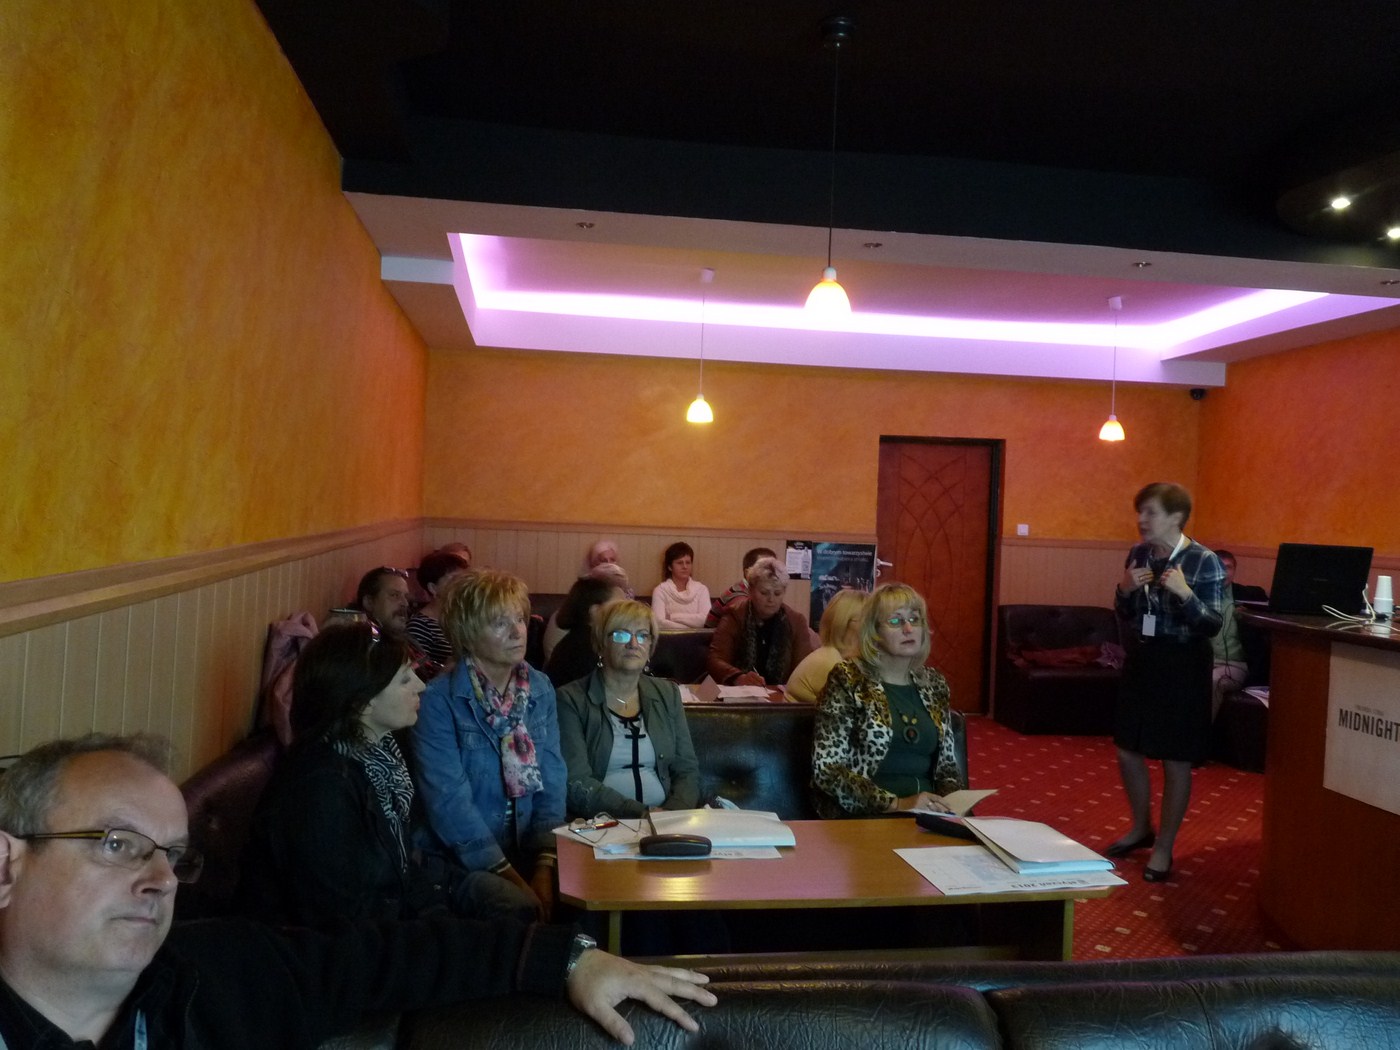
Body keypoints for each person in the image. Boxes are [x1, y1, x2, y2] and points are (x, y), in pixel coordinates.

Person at [0, 734, 714, 1048]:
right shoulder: (322, 783)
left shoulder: (225, 981)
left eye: (174, 857)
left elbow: (389, 956)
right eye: (117, 844)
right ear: (8, 866)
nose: (160, 880)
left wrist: (569, 958)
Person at [240, 622, 451, 925]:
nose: (421, 686)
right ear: (361, 704)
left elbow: (400, 872)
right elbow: (337, 920)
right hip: (323, 946)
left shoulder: (380, 753)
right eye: (405, 680)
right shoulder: (320, 788)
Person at [414, 569, 567, 923]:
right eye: (500, 623)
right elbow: (448, 804)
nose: (517, 632)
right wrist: (514, 878)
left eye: (520, 619)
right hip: (457, 857)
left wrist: (544, 866)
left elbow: (553, 780)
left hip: (526, 846)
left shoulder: (540, 687)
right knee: (520, 907)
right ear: (466, 634)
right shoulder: (438, 700)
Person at [1106, 482, 1225, 883]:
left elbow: (1212, 624)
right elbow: (1126, 611)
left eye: (1150, 512)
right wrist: (1124, 589)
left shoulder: (1204, 560)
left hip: (1184, 664)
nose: (1141, 520)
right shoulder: (1139, 554)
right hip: (1144, 659)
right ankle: (1141, 827)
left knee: (1175, 759)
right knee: (1127, 750)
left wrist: (1185, 594)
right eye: (1139, 512)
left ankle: (1164, 847)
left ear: (1176, 517)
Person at [810, 582, 962, 818]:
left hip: (928, 815)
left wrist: (953, 806)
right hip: (866, 816)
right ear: (874, 632)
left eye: (915, 619)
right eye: (895, 621)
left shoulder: (934, 683)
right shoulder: (848, 679)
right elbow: (827, 769)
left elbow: (948, 769)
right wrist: (898, 804)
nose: (908, 628)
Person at [556, 600, 700, 818]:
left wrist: (672, 815)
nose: (633, 644)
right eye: (621, 635)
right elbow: (576, 781)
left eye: (642, 636)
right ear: (601, 644)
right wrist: (642, 814)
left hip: (667, 821)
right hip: (604, 824)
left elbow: (687, 769)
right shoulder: (570, 700)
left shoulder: (668, 693)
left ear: (650, 647)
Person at [706, 556, 813, 686]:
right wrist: (738, 677)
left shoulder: (796, 621)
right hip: (740, 692)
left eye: (777, 593)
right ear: (750, 590)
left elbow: (805, 667)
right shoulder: (734, 615)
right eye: (764, 593)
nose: (771, 599)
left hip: (781, 694)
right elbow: (715, 660)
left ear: (784, 592)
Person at [1209, 549, 1269, 717]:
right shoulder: (1200, 596)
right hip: (1204, 662)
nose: (1223, 573)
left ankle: (1199, 731)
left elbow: (1271, 610)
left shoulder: (1249, 596)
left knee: (1214, 680)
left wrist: (1249, 616)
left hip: (1235, 665)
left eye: (1228, 567)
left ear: (1234, 570)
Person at [544, 574, 627, 688]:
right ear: (595, 611)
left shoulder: (582, 639)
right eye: (619, 607)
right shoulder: (584, 648)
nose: (626, 613)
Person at [786, 588, 866, 703]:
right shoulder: (832, 663)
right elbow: (866, 708)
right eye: (871, 621)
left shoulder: (831, 654)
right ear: (845, 623)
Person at [406, 549, 472, 680]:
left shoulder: (464, 616)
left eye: (464, 579)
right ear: (433, 588)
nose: (463, 585)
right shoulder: (420, 625)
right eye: (454, 579)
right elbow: (418, 675)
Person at [705, 546, 776, 627]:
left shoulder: (761, 594)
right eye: (765, 569)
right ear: (747, 573)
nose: (773, 575)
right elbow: (753, 626)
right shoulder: (738, 598)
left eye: (774, 570)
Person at [650, 542, 710, 629]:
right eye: (680, 563)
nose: (685, 566)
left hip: (699, 637)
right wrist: (690, 629)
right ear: (670, 567)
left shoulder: (701, 589)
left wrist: (672, 617)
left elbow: (706, 620)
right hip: (669, 637)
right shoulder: (660, 591)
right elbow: (659, 623)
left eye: (688, 562)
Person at [355, 566, 413, 638]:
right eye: (394, 595)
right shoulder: (357, 642)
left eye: (406, 597)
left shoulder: (409, 640)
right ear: (369, 602)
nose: (405, 603)